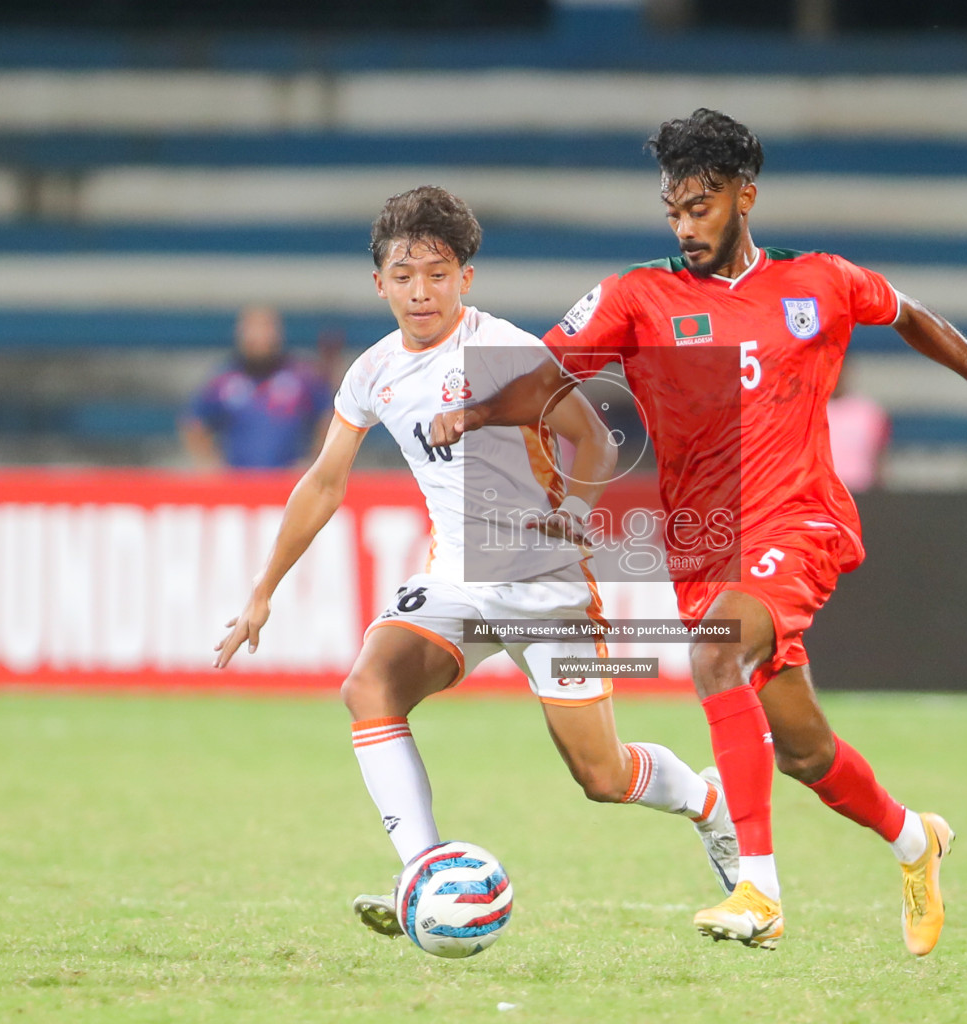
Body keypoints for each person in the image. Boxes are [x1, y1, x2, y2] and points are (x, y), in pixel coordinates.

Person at [430, 109, 967, 953]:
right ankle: (917, 839)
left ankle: (758, 888)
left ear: (745, 197)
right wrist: (473, 415)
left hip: (800, 519)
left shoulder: (820, 282)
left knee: (715, 652)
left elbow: (909, 314)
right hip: (706, 546)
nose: (686, 227)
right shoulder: (636, 297)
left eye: (702, 207)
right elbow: (545, 376)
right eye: (674, 211)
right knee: (805, 752)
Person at [212, 186, 738, 940]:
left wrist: (576, 517)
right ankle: (424, 871)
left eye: (437, 272)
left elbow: (594, 439)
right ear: (379, 284)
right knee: (369, 685)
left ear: (466, 278)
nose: (419, 291)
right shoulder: (373, 372)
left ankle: (709, 805)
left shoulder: (507, 354)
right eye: (403, 274)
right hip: (456, 580)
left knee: (602, 775)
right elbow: (324, 481)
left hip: (545, 588)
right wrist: (263, 592)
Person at [182, 306, 334, 469]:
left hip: (289, 481)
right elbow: (195, 423)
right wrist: (211, 465)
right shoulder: (223, 381)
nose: (260, 336)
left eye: (266, 328)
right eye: (252, 329)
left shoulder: (302, 377)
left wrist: (314, 463)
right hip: (238, 482)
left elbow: (328, 418)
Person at [826, 365, 891, 492]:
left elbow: (880, 457)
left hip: (860, 492)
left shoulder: (869, 411)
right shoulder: (809, 411)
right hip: (823, 494)